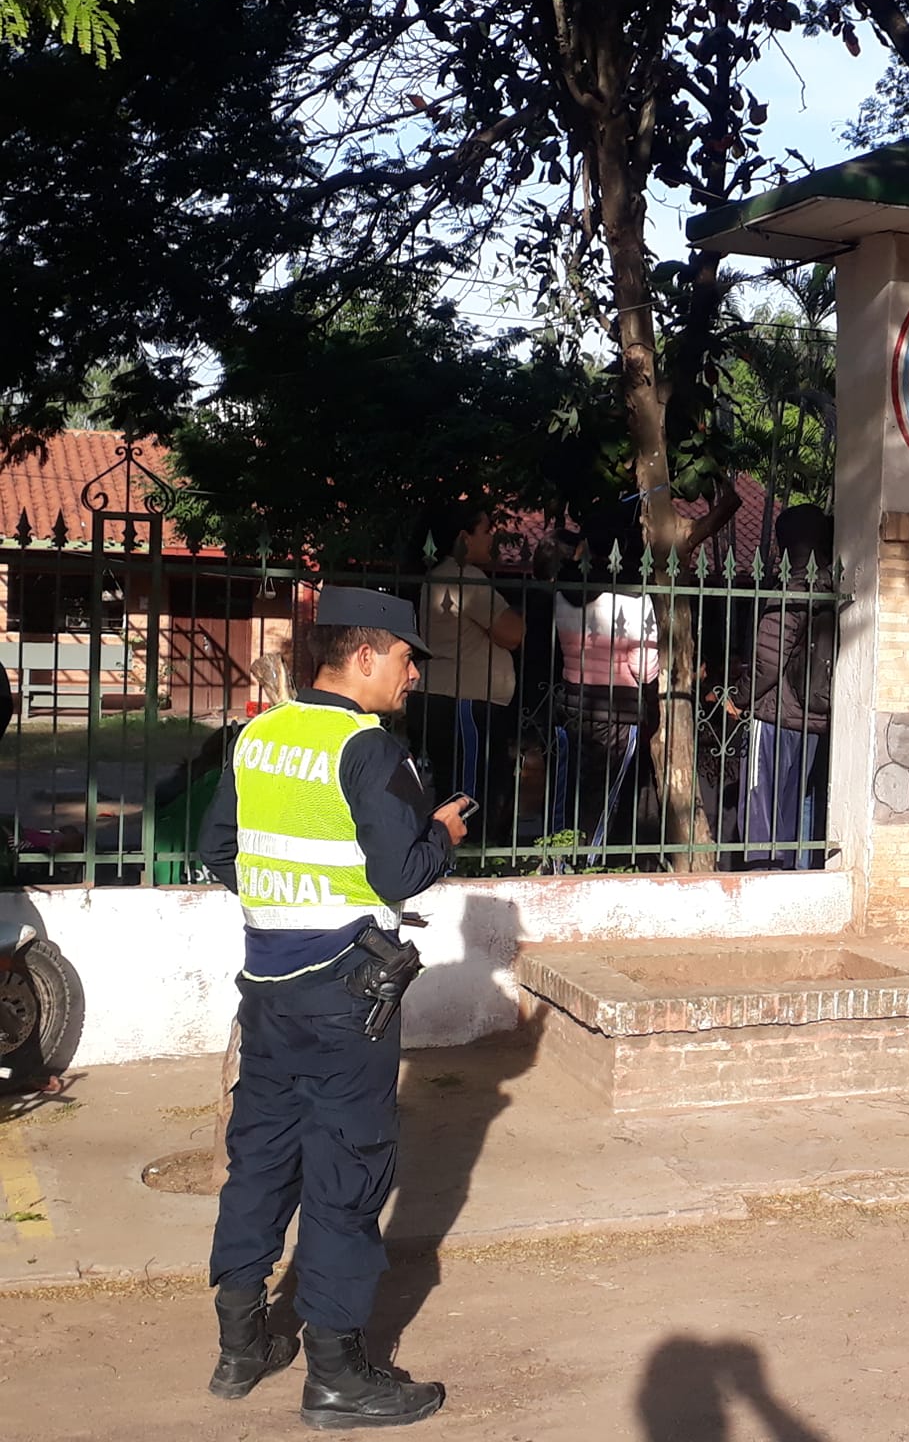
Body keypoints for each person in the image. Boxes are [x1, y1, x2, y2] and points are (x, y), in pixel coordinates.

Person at [198, 586, 467, 1428]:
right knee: (346, 1174)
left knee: (262, 1158)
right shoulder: (369, 747)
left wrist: (291, 910)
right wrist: (446, 835)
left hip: (267, 990)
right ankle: (339, 1374)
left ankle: (242, 1348)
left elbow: (217, 851)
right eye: (406, 657)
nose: (414, 674)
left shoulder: (257, 735)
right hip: (349, 998)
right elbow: (400, 874)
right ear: (364, 656)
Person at [412, 499, 524, 846]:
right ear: (464, 537)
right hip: (465, 705)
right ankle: (470, 861)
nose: (492, 539)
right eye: (486, 531)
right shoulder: (464, 578)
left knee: (449, 782)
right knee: (471, 793)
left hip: (444, 699)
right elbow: (512, 633)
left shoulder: (438, 576)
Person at [555, 526, 663, 856]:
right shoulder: (634, 599)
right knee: (604, 797)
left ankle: (560, 858)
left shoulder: (564, 589)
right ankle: (586, 864)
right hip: (618, 711)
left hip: (573, 701)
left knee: (571, 789)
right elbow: (644, 669)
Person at [738, 505, 835, 869]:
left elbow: (769, 656)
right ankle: (794, 876)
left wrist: (740, 698)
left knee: (761, 805)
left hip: (776, 713)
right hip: (813, 715)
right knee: (795, 804)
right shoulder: (831, 584)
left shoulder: (794, 587)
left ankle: (761, 875)